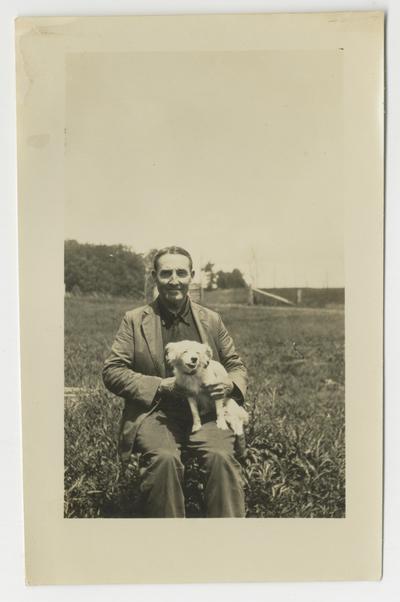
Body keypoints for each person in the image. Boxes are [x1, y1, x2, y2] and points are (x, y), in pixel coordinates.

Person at [102, 246, 248, 517]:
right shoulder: (134, 321)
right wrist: (161, 386)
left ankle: (229, 542)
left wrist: (229, 385)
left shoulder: (211, 320)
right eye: (166, 273)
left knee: (221, 458)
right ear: (154, 276)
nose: (174, 280)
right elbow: (112, 371)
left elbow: (235, 366)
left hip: (206, 414)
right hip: (157, 414)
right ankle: (168, 545)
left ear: (191, 276)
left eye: (181, 272)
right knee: (164, 460)